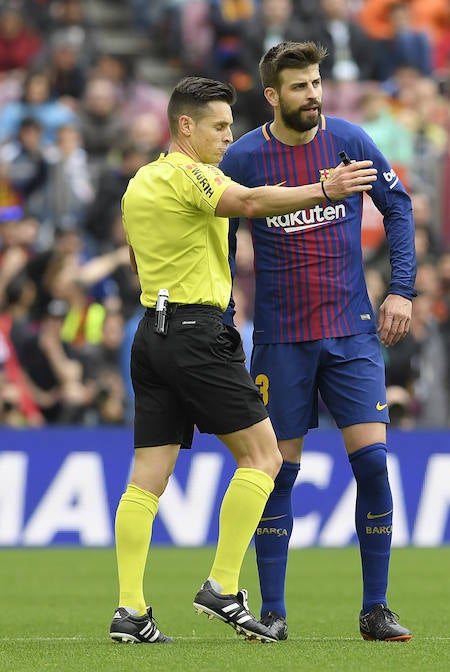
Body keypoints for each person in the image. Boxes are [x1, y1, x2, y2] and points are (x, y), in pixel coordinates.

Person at [109, 75, 378, 644]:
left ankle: (131, 610)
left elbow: (137, 259)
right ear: (186, 125)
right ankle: (224, 586)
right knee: (264, 457)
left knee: (146, 479)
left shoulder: (140, 182)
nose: (228, 137)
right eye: (219, 125)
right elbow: (250, 202)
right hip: (197, 332)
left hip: (150, 334)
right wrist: (324, 189)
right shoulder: (192, 174)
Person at [218, 41, 415, 642]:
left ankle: (375, 608)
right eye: (300, 86)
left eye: (318, 83)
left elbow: (398, 208)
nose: (314, 95)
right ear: (273, 95)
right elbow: (218, 235)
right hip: (281, 340)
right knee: (277, 474)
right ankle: (273, 613)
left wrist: (402, 290)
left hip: (352, 332)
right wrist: (227, 310)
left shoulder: (351, 141)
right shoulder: (246, 157)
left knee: (374, 465)